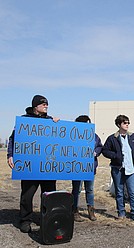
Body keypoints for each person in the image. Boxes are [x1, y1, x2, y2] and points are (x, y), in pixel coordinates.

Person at [7, 95, 59, 233]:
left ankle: (46, 218)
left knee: (48, 195)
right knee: (27, 195)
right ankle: (25, 220)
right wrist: (10, 155)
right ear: (36, 106)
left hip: (47, 167)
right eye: (43, 104)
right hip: (30, 167)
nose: (46, 106)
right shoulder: (24, 121)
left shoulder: (50, 121)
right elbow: (13, 139)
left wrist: (57, 125)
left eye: (47, 104)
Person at [102, 115, 134, 221]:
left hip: (131, 169)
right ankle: (121, 213)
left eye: (128, 123)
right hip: (118, 169)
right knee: (119, 192)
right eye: (125, 123)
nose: (127, 125)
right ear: (119, 125)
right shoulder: (112, 138)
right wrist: (115, 155)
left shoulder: (133, 136)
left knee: (132, 193)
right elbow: (105, 150)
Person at [71, 115, 103, 222]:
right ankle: (75, 211)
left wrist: (96, 152)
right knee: (77, 190)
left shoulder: (95, 136)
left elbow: (99, 146)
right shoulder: (73, 136)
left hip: (90, 167)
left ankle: (91, 210)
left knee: (89, 189)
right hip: (77, 168)